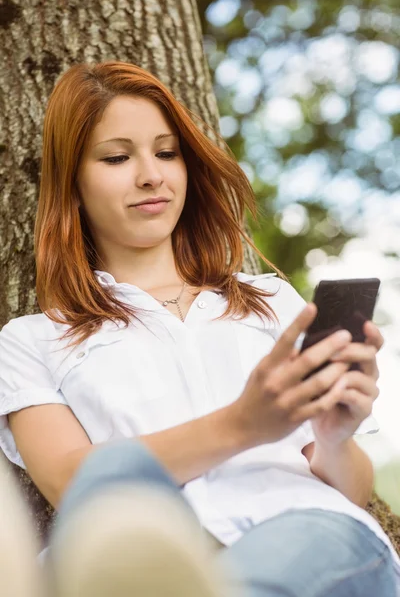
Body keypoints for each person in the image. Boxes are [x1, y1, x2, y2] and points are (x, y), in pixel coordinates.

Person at [0, 60, 399, 597]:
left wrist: (332, 438)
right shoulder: (31, 340)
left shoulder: (272, 301)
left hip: (303, 528)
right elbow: (73, 482)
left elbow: (349, 490)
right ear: (71, 182)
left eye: (167, 153)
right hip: (145, 552)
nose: (152, 175)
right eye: (118, 157)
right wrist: (244, 423)